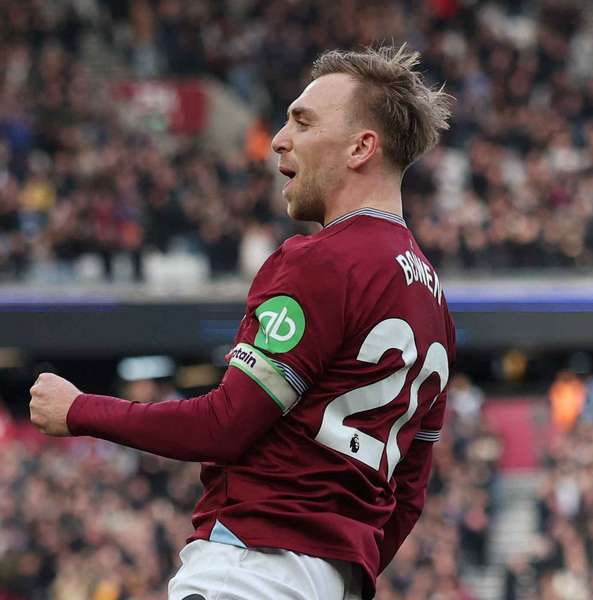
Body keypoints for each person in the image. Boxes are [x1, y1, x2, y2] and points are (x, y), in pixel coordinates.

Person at [29, 45, 456, 600]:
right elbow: (409, 493)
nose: (279, 139)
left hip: (250, 569)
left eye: (303, 122)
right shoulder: (434, 302)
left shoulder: (321, 261)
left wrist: (79, 409)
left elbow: (225, 424)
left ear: (360, 147)